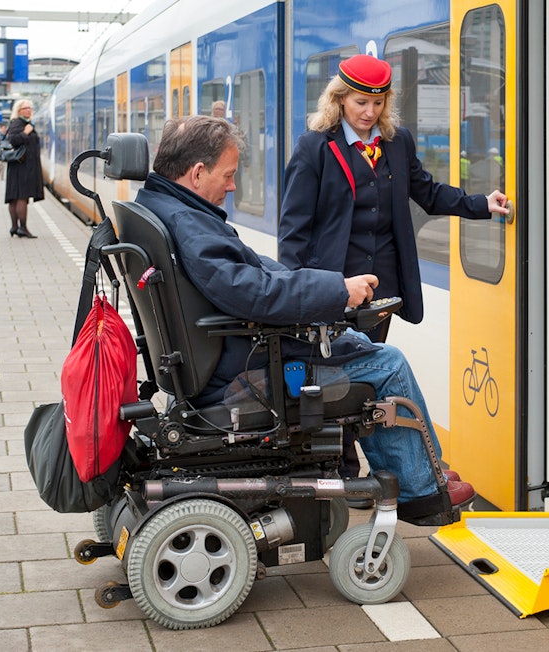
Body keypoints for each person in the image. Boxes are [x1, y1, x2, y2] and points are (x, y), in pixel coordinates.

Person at [134, 114, 474, 522]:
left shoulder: (167, 207)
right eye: (228, 175)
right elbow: (251, 292)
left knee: (364, 347)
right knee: (387, 363)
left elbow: (250, 271)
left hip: (225, 357)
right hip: (243, 371)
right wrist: (336, 292)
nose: (232, 185)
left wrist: (325, 284)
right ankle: (421, 492)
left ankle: (422, 465)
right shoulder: (190, 224)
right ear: (197, 172)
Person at [279, 54, 510, 344]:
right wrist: (293, 293)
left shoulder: (397, 141)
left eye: (378, 103)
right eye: (360, 102)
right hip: (335, 283)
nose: (370, 112)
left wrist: (480, 204)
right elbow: (293, 226)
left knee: (372, 363)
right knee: (334, 373)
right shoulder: (314, 147)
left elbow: (428, 192)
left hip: (382, 286)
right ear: (340, 99)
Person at [4, 99, 44, 238]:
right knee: (21, 197)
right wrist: (26, 133)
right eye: (25, 108)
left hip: (19, 166)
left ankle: (15, 227)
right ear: (18, 111)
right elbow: (13, 140)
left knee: (15, 197)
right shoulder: (18, 123)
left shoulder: (21, 123)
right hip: (22, 167)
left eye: (29, 108)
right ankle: (22, 228)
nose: (28, 110)